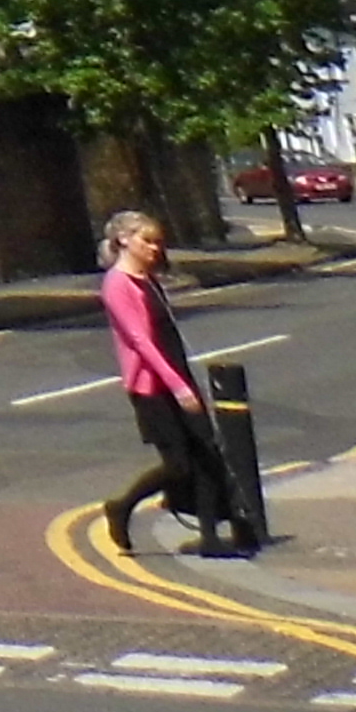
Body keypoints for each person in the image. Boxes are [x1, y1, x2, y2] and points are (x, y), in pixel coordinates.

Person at [96, 210, 248, 559]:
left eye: (158, 242)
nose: (154, 248)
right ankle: (121, 507)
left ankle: (211, 538)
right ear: (123, 240)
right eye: (146, 241)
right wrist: (177, 387)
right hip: (152, 385)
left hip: (177, 374)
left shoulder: (148, 279)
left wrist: (184, 381)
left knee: (207, 455)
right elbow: (140, 342)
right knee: (178, 464)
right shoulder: (117, 285)